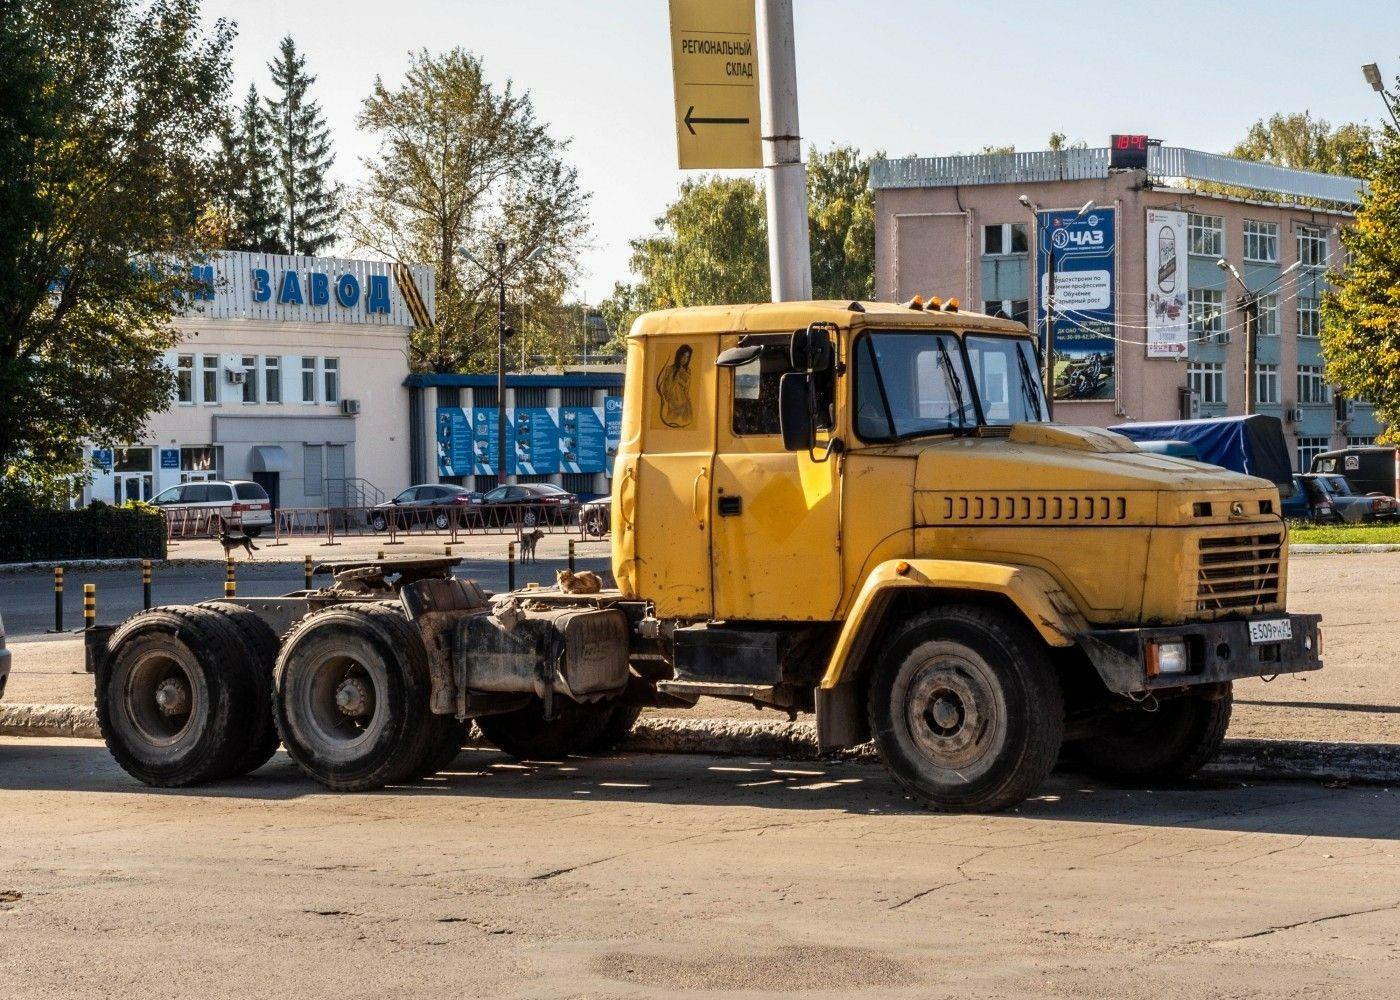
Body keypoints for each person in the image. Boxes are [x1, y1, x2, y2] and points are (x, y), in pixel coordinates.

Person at [656, 344, 694, 427]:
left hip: (684, 404)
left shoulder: (687, 371)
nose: (685, 359)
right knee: (669, 422)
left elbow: (687, 388)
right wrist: (668, 400)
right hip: (673, 403)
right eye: (683, 356)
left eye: (687, 357)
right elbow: (665, 387)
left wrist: (680, 378)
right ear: (678, 355)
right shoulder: (669, 369)